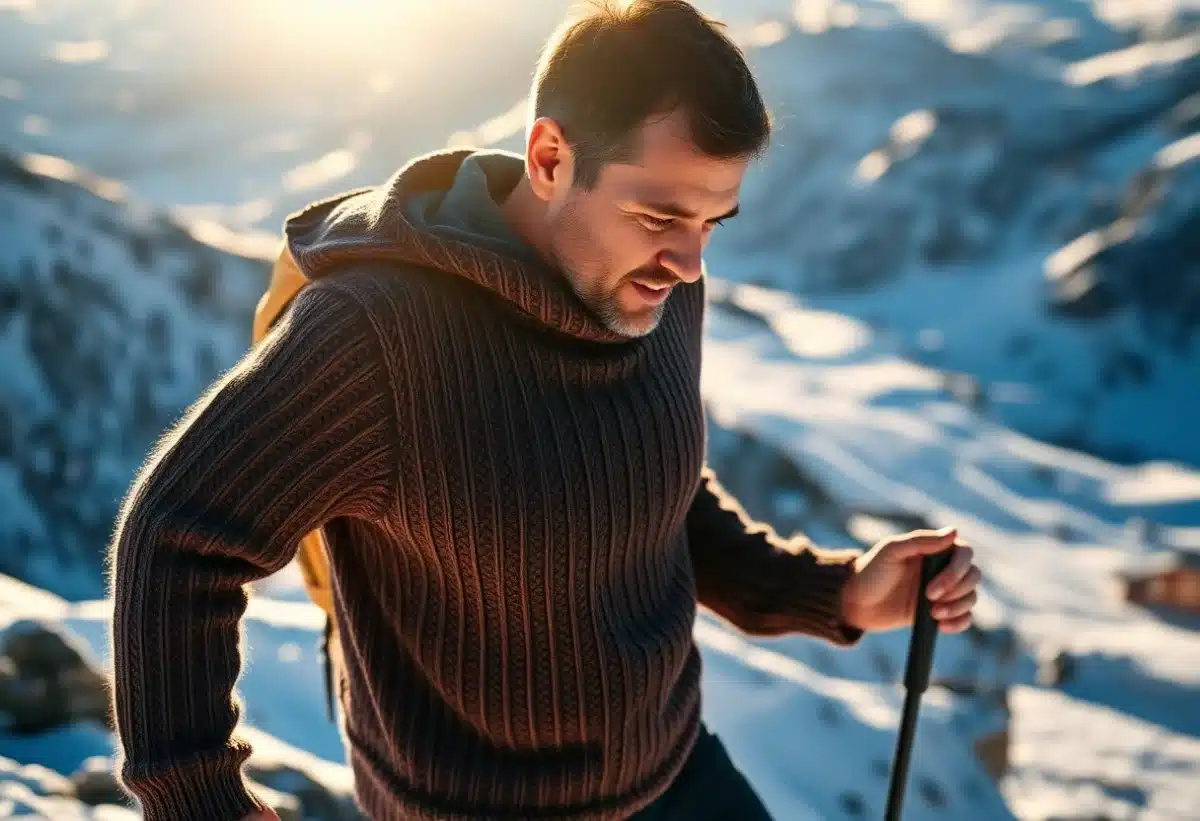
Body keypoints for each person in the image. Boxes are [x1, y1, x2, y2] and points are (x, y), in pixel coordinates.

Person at [107, 2, 983, 820]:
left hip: (678, 775)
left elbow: (651, 489)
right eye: (659, 214)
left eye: (715, 221)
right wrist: (196, 798)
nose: (685, 260)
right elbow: (178, 539)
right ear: (551, 157)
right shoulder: (378, 336)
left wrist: (835, 592)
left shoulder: (656, 285)